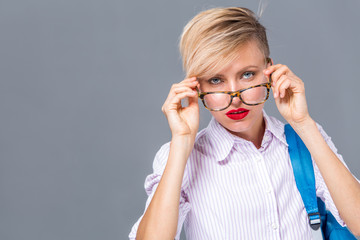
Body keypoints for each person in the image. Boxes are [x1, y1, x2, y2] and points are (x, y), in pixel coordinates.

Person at [129, 7, 360, 239]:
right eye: (216, 80)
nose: (235, 96)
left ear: (269, 71)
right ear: (198, 87)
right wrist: (181, 143)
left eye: (247, 74)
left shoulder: (306, 139)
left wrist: (303, 123)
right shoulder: (181, 157)